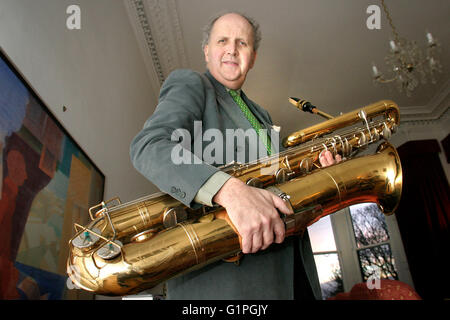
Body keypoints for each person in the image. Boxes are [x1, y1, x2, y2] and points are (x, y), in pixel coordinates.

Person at [130, 11, 340, 300]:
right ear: (207, 52)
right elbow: (149, 146)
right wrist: (228, 191)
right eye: (222, 40)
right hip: (226, 282)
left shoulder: (262, 115)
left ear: (252, 57)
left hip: (294, 274)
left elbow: (278, 186)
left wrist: (319, 174)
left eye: (242, 43)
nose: (231, 49)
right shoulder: (191, 83)